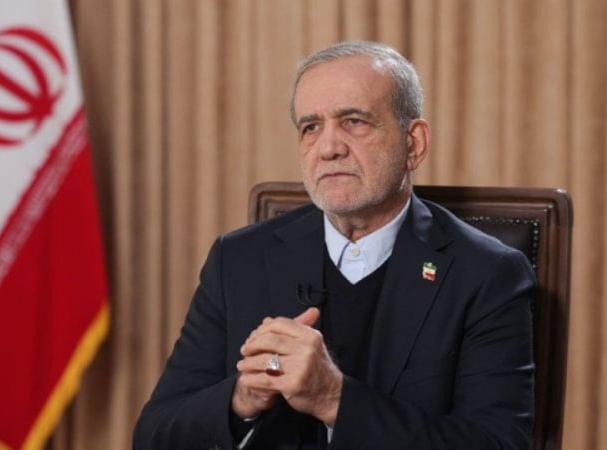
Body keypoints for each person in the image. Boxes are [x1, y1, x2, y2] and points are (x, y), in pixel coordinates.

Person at [133, 40, 535, 450]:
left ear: (413, 143)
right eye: (311, 127)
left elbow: (498, 443)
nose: (328, 148)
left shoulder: (486, 274)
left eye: (354, 121)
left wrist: (335, 401)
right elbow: (153, 435)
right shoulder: (238, 260)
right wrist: (241, 399)